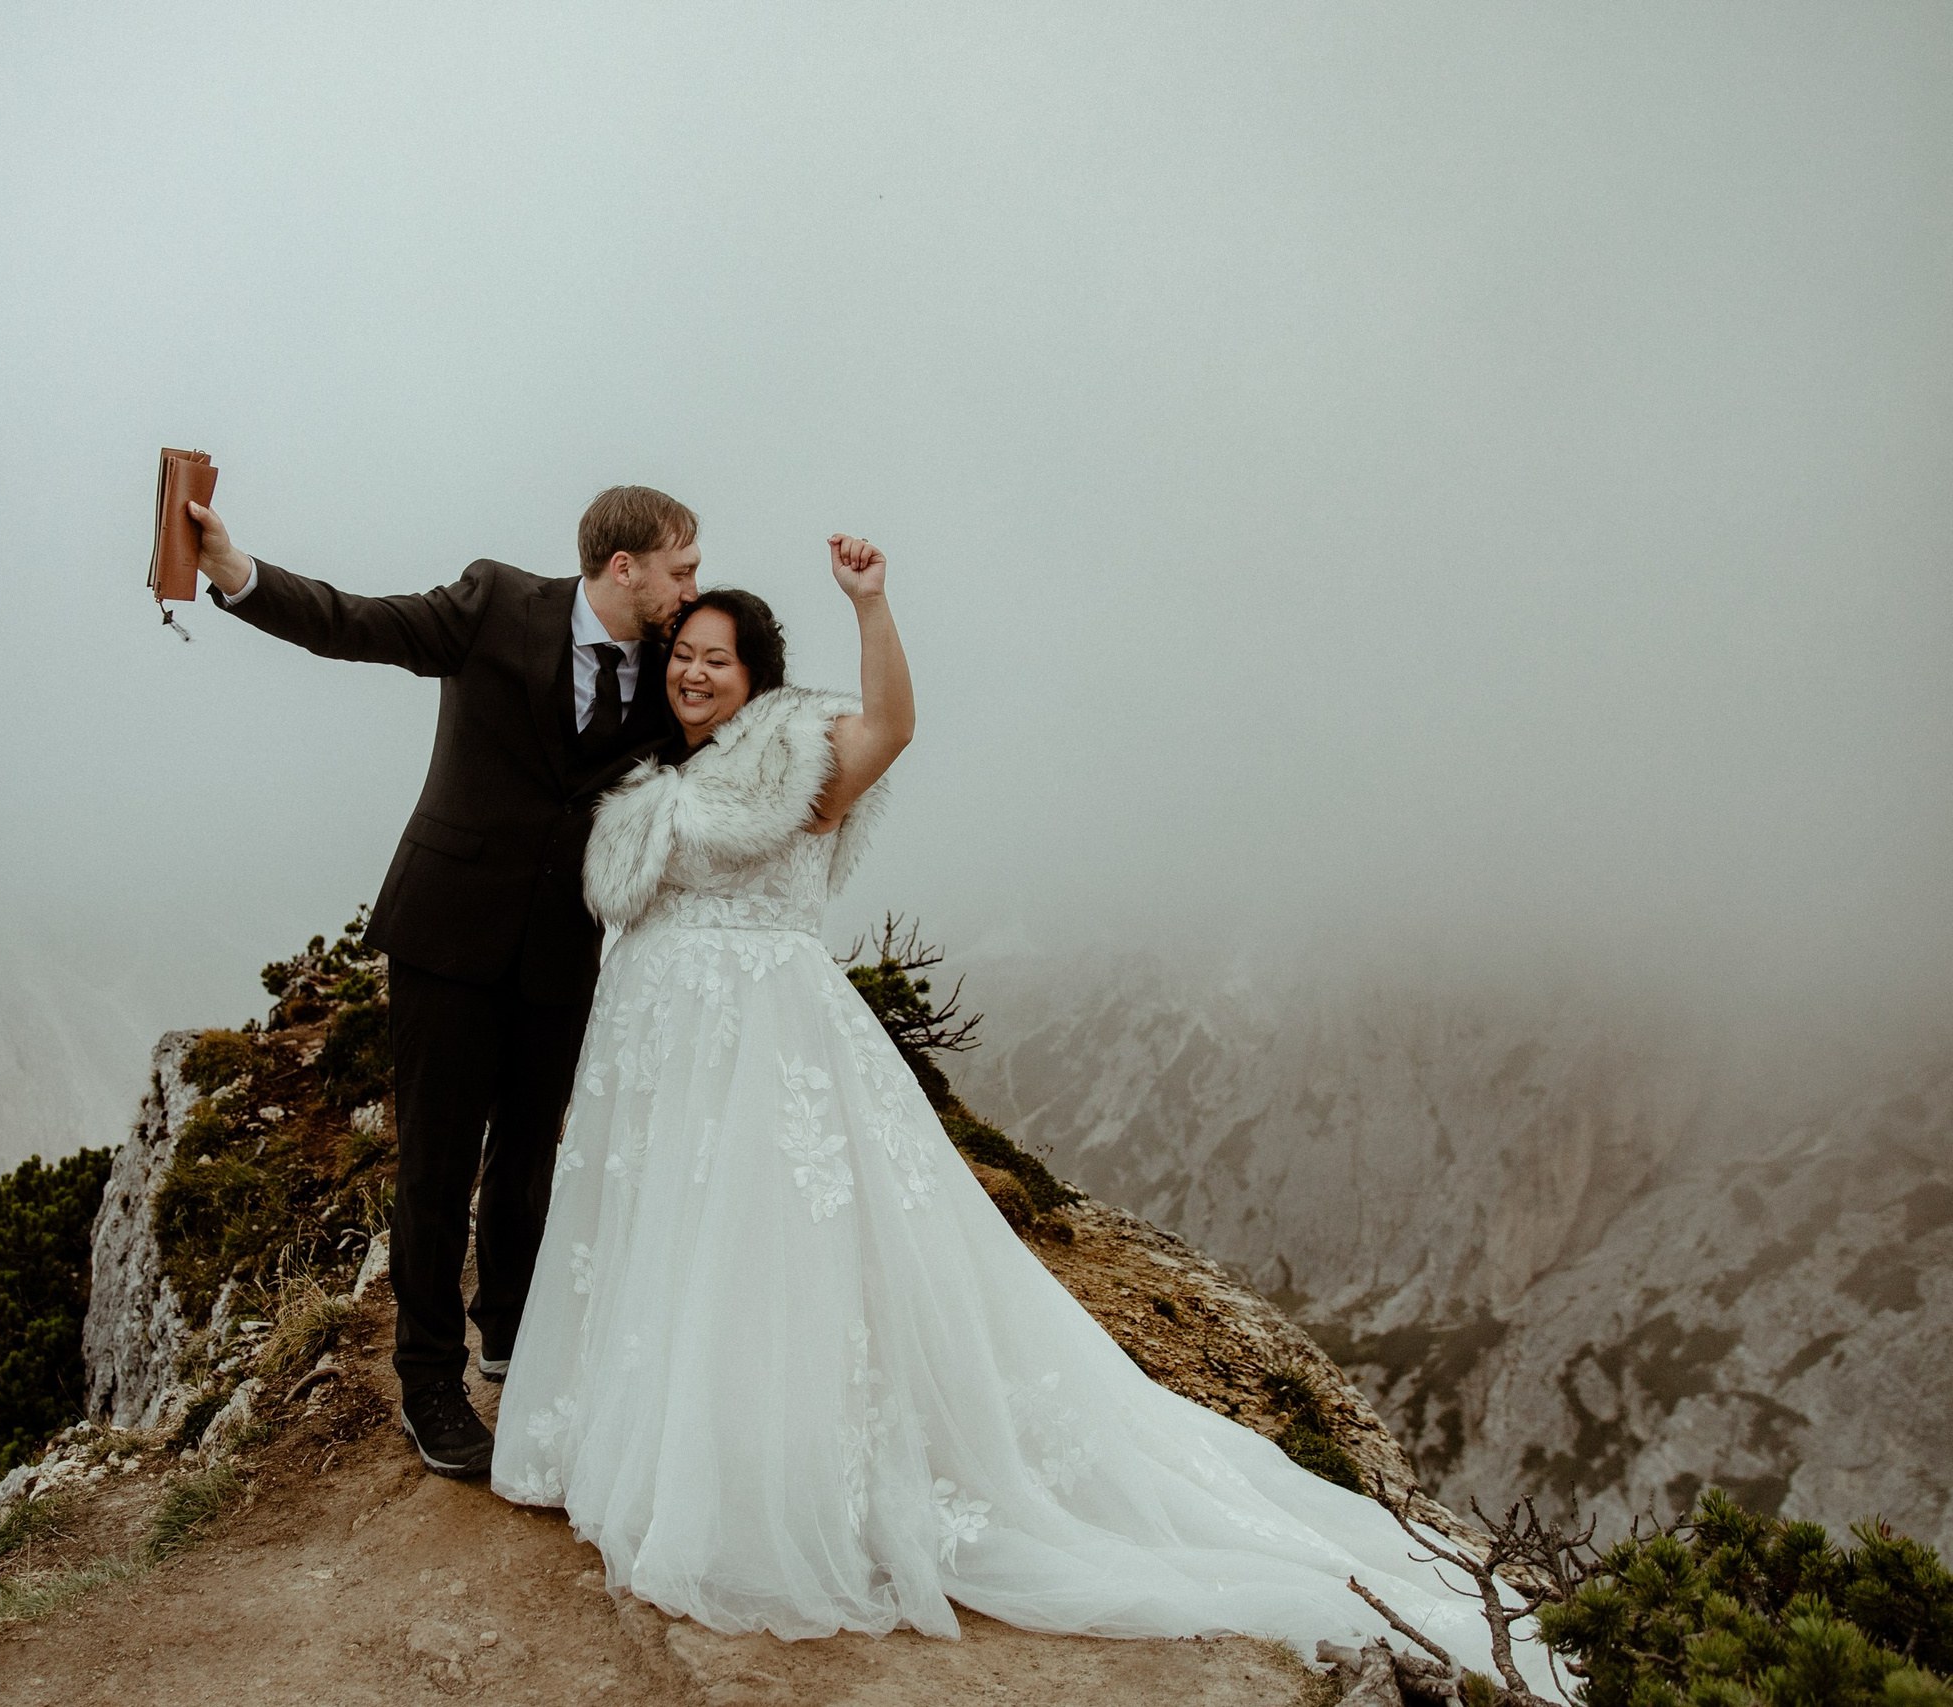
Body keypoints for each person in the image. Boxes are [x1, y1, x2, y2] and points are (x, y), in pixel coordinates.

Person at [488, 536, 1529, 1675]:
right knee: (666, 1238)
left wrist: (872, 604)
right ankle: (642, 1442)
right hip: (655, 1047)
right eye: (682, 655)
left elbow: (891, 729)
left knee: (764, 1247)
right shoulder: (651, 779)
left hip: (758, 1042)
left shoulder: (795, 753)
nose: (692, 673)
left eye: (716, 660)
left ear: (758, 677)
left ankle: (758, 1482)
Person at [188, 485, 698, 1478]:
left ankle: (510, 1333)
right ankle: (429, 1383)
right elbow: (354, 624)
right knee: (434, 1168)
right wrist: (233, 573)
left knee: (527, 1161)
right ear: (622, 565)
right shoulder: (495, 602)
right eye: (680, 566)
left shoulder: (670, 669)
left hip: (562, 945)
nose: (692, 584)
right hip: (445, 933)